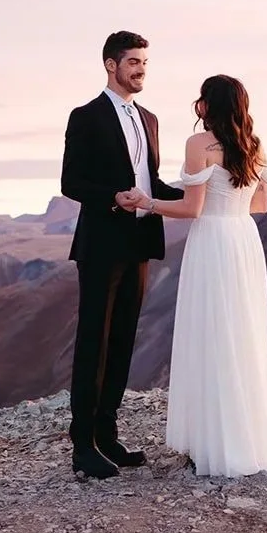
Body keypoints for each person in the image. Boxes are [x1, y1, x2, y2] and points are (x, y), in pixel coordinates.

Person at [129, 74, 267, 477]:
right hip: (243, 239)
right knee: (241, 333)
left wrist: (147, 202)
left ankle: (212, 442)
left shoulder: (199, 145)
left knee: (211, 333)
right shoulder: (255, 145)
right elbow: (261, 204)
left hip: (212, 240)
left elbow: (192, 210)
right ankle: (246, 441)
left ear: (207, 104)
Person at [60, 31, 184, 480]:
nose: (140, 70)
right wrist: (113, 197)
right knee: (94, 342)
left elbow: (151, 183)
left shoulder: (148, 119)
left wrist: (201, 193)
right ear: (111, 65)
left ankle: (108, 436)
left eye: (145, 63)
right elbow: (71, 182)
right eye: (133, 62)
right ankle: (84, 447)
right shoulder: (86, 116)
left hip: (139, 243)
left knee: (123, 341)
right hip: (102, 243)